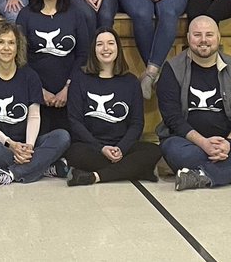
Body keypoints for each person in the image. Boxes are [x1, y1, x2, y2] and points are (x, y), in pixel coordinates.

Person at [156, 16, 231, 191]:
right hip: (189, 143)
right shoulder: (172, 69)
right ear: (188, 37)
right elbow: (172, 119)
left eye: (209, 34)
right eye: (197, 35)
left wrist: (229, 143)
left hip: (229, 142)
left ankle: (203, 176)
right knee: (174, 150)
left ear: (219, 37)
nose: (203, 40)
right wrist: (203, 143)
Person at [0, 22, 71, 186]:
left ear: (18, 47)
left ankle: (11, 173)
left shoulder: (30, 76)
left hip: (30, 143)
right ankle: (43, 166)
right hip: (3, 144)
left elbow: (34, 116)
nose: (6, 48)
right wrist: (11, 145)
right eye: (1, 42)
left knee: (62, 136)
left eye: (11, 43)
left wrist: (28, 147)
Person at [65, 28, 161, 186]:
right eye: (100, 44)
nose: (105, 48)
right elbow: (75, 121)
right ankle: (138, 170)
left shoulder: (131, 82)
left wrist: (121, 148)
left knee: (154, 150)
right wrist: (101, 148)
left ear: (118, 48)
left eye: (110, 43)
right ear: (93, 49)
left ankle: (95, 176)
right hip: (92, 147)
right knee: (74, 153)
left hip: (123, 146)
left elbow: (137, 123)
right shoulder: (80, 79)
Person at [16, 0, 89, 133]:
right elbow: (19, 57)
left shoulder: (75, 14)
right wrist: (39, 90)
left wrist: (67, 89)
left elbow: (83, 54)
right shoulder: (25, 15)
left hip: (69, 92)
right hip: (35, 94)